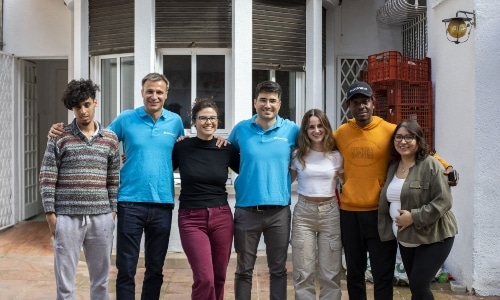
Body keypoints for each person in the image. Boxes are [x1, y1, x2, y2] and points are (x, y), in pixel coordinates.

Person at [48, 73, 185, 299]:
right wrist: (57, 130)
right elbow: (101, 141)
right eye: (149, 91)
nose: (154, 96)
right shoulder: (125, 119)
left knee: (155, 268)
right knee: (126, 267)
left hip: (163, 203)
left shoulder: (176, 122)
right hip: (129, 202)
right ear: (142, 93)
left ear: (166, 94)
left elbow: (179, 156)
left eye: (159, 92)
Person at [333, 81, 457, 299]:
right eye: (355, 102)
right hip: (350, 213)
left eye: (365, 101)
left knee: (382, 275)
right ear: (348, 107)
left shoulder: (390, 131)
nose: (361, 106)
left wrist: (446, 166)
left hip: (379, 214)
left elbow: (419, 150)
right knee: (354, 274)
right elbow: (318, 147)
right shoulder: (341, 133)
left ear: (373, 103)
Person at [39, 78, 120, 299]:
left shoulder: (110, 139)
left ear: (96, 102)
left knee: (101, 280)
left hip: (101, 218)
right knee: (65, 283)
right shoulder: (59, 137)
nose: (83, 111)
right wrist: (50, 215)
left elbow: (113, 178)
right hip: (67, 217)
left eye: (86, 104)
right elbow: (47, 176)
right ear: (72, 108)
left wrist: (112, 211)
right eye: (77, 107)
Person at [227, 80, 299, 300]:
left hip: (279, 212)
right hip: (246, 211)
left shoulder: (292, 130)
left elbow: (304, 158)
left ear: (280, 104)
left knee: (278, 270)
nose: (267, 105)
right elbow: (227, 157)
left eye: (272, 101)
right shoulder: (241, 129)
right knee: (243, 270)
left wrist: (286, 178)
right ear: (254, 102)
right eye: (263, 100)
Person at [378, 119, 458, 299]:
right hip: (406, 237)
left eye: (409, 137)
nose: (403, 141)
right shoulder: (392, 166)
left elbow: (444, 200)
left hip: (434, 235)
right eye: (398, 137)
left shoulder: (431, 165)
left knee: (419, 285)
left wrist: (414, 217)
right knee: (416, 289)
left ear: (418, 140)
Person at [172, 98, 240, 300]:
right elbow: (158, 163)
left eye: (213, 118)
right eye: (203, 118)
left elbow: (250, 168)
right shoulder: (182, 147)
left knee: (219, 277)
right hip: (191, 218)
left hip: (221, 216)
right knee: (205, 278)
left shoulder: (226, 149)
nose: (208, 122)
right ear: (193, 121)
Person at [289, 109, 344, 300]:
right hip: (304, 213)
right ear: (305, 130)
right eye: (311, 126)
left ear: (326, 127)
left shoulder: (336, 156)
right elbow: (285, 181)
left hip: (330, 213)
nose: (316, 130)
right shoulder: (297, 155)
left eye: (320, 125)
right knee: (303, 272)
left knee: (330, 272)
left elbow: (348, 184)